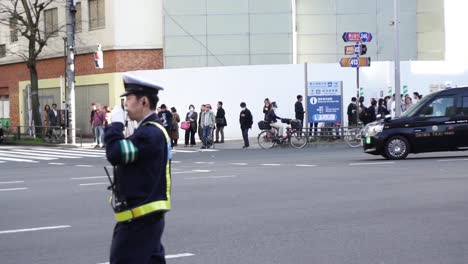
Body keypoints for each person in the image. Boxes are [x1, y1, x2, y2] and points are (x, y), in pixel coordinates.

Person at [104, 73, 171, 264]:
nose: (125, 104)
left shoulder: (150, 133)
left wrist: (115, 125)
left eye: (128, 98)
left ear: (143, 101)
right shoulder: (149, 130)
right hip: (144, 219)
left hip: (139, 220)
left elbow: (115, 153)